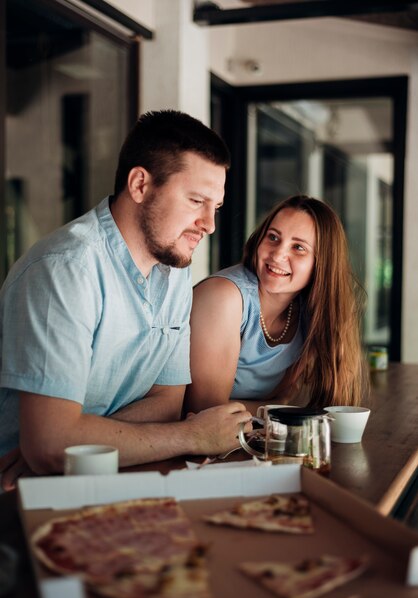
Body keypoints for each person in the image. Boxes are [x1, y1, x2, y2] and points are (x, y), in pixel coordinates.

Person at [0, 109, 252, 489]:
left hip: (100, 478)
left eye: (214, 207)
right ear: (139, 185)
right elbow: (51, 447)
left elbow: (167, 402)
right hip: (17, 494)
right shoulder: (65, 269)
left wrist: (74, 440)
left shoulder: (175, 272)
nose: (210, 224)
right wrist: (194, 435)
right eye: (196, 200)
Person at [184, 194, 367, 416]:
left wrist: (277, 406)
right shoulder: (224, 297)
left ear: (322, 264)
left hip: (250, 440)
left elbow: (285, 398)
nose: (278, 254)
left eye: (298, 247)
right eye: (273, 237)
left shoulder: (310, 313)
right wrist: (280, 409)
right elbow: (207, 416)